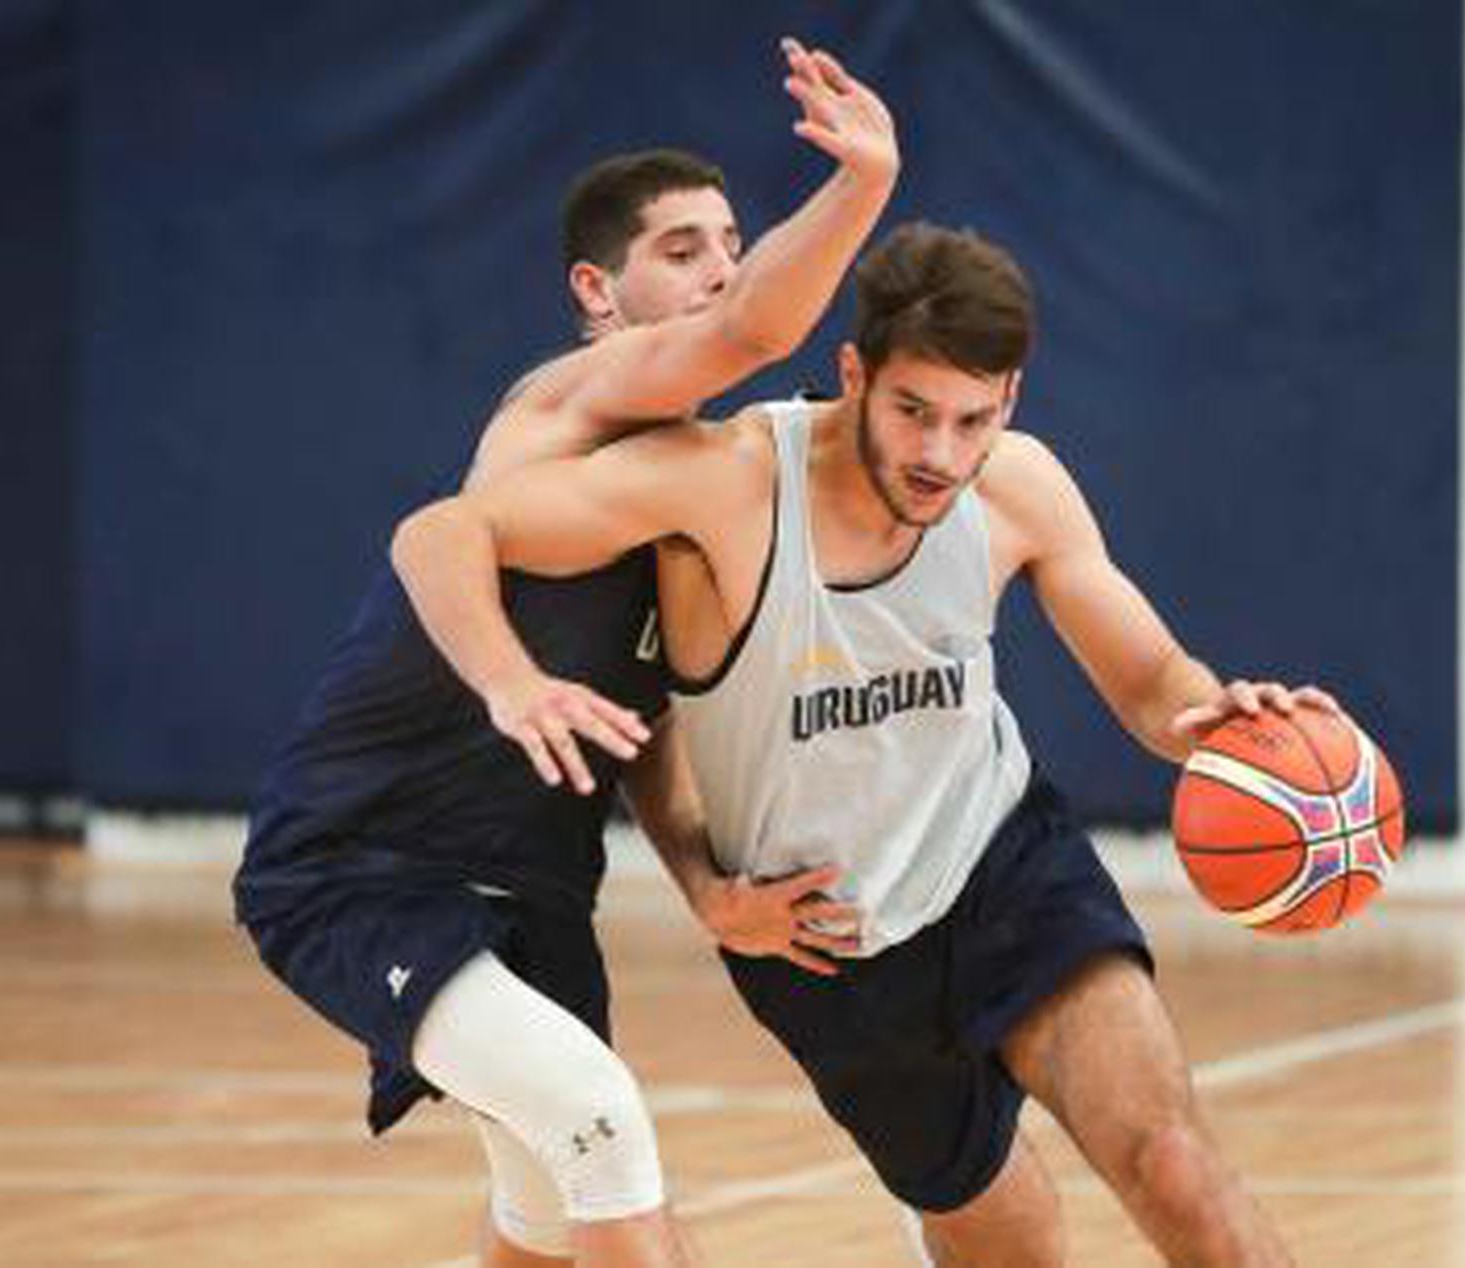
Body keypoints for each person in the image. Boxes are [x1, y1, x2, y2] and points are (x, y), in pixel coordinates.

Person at [395, 222, 1333, 1265]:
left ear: (1011, 399)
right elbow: (443, 533)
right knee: (1017, 1244)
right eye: (913, 412)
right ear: (854, 375)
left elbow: (1155, 683)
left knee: (1172, 1163)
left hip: (1003, 867)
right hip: (825, 942)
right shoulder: (728, 482)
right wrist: (518, 690)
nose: (941, 455)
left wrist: (1220, 723)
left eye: (974, 419)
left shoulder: (1016, 485)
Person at [233, 39, 896, 1268]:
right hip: (363, 863)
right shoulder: (568, 403)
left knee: (546, 1220)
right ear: (597, 290)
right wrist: (865, 182)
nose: (721, 268)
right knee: (602, 1127)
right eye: (681, 249)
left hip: (533, 891)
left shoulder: (677, 495)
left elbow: (645, 738)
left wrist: (707, 890)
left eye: (731, 242)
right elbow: (433, 536)